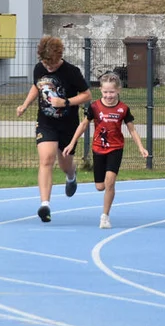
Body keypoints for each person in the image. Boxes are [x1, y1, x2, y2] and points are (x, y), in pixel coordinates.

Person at [16, 35, 91, 223]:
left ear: (59, 57)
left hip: (68, 124)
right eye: (45, 63)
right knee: (46, 159)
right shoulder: (39, 68)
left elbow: (87, 95)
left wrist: (65, 102)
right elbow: (37, 87)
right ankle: (45, 205)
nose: (48, 67)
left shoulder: (71, 72)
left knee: (65, 164)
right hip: (46, 121)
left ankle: (71, 175)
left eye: (52, 64)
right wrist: (25, 105)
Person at [62, 72, 149, 229]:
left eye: (112, 92)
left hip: (115, 149)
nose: (109, 95)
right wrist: (71, 143)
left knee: (110, 182)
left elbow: (132, 130)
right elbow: (83, 125)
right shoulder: (94, 107)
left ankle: (105, 216)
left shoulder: (123, 109)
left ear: (118, 91)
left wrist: (141, 147)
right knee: (100, 186)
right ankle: (100, 190)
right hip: (98, 149)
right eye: (106, 92)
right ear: (101, 90)